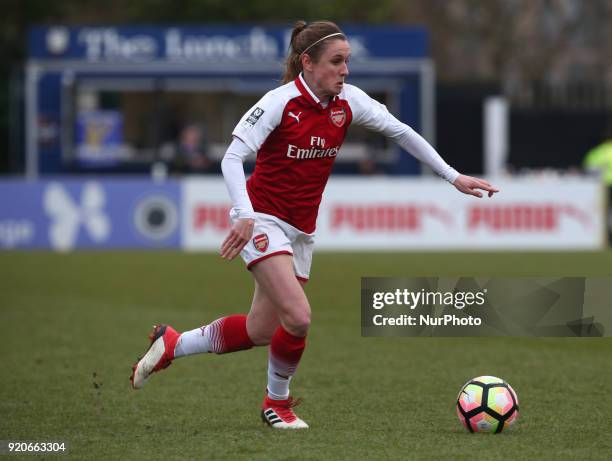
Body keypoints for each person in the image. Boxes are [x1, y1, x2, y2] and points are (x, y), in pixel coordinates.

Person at [130, 20, 499, 430]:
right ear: (307, 62)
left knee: (260, 330)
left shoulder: (349, 102)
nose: (345, 70)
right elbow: (231, 158)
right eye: (336, 62)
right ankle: (277, 404)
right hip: (263, 220)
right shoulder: (278, 102)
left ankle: (173, 344)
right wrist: (246, 214)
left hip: (301, 231)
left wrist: (452, 176)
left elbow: (401, 132)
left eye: (347, 61)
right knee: (299, 317)